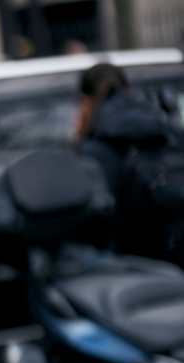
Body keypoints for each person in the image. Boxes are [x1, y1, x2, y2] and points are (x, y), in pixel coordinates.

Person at [75, 62, 184, 261]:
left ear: (85, 102)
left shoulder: (94, 149)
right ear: (127, 89)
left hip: (134, 265)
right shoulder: (166, 128)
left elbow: (94, 221)